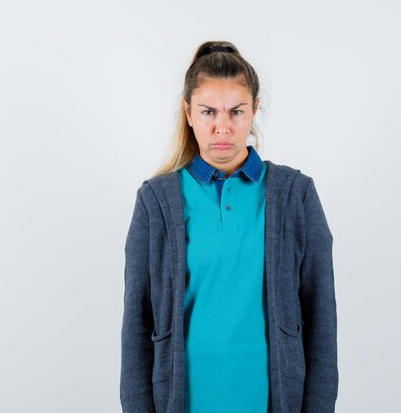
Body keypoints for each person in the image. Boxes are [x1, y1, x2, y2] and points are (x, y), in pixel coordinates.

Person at [120, 41, 338, 413]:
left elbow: (321, 318)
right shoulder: (156, 201)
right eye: (208, 112)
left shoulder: (295, 196)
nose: (223, 128)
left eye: (236, 111)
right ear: (188, 113)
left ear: (255, 110)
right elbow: (137, 323)